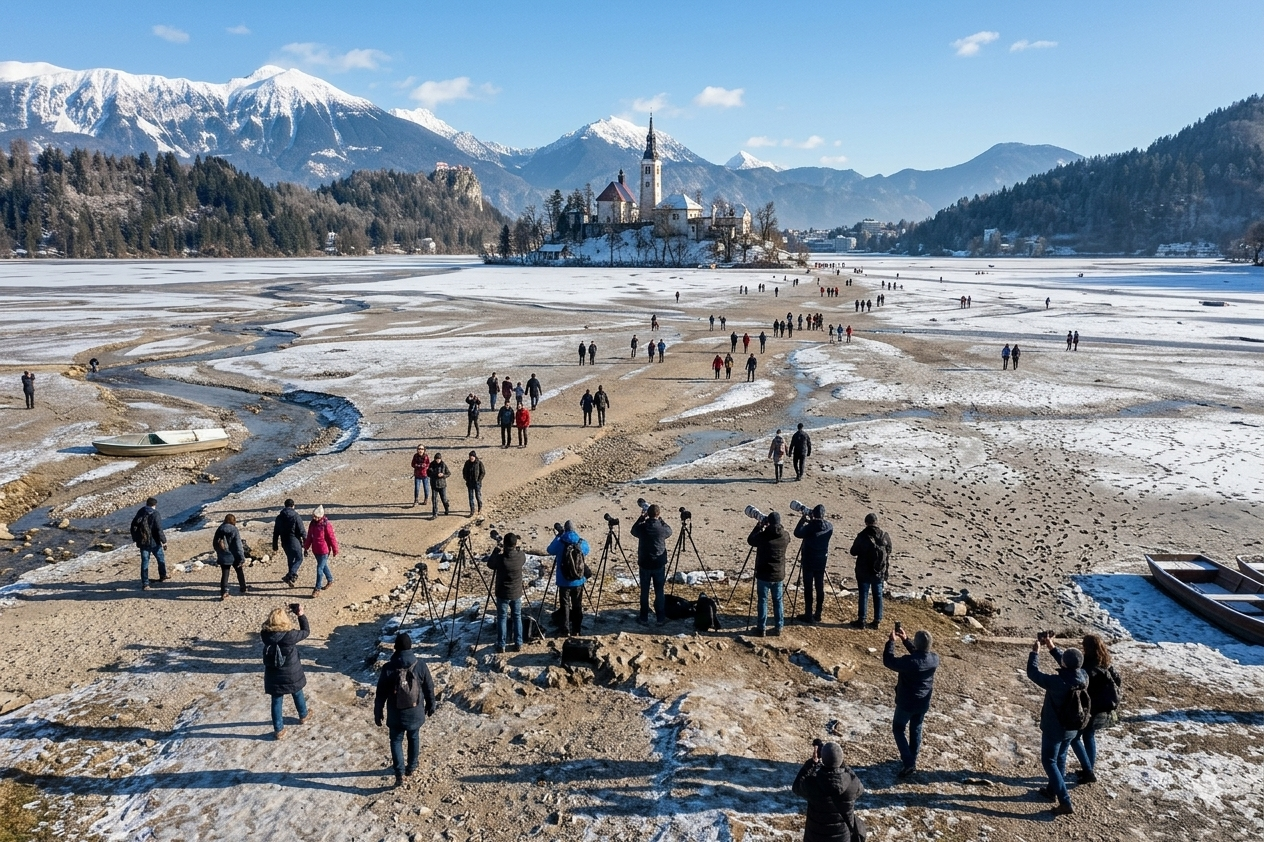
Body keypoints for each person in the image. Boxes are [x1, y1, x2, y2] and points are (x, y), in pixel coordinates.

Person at [1027, 635, 1089, 816]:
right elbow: (1069, 664)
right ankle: (1051, 790)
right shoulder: (1083, 676)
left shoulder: (1057, 682)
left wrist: (1035, 652)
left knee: (1049, 761)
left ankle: (1065, 801)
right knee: (1060, 758)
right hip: (1072, 727)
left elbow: (1033, 673)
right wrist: (1051, 647)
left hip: (1054, 728)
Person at [1057, 634, 1121, 785]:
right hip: (1103, 710)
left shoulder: (1088, 665)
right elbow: (1117, 681)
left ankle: (1088, 771)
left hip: (1092, 709)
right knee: (1089, 737)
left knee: (1074, 738)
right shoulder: (1105, 662)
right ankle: (1089, 769)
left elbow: (1076, 675)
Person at [374, 632, 436, 786]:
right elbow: (429, 687)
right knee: (413, 737)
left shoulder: (388, 668)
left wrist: (378, 711)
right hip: (415, 712)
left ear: (395, 648)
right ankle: (412, 766)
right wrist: (431, 704)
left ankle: (399, 773)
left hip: (396, 714)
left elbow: (380, 693)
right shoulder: (420, 665)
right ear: (410, 647)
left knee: (396, 740)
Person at [883, 627, 939, 777]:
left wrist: (891, 642)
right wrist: (906, 640)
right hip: (922, 703)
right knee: (916, 728)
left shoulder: (909, 662)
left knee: (898, 728)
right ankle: (912, 758)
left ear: (917, 643)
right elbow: (919, 655)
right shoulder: (934, 659)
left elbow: (889, 661)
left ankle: (908, 762)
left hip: (906, 703)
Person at [792, 740, 864, 842]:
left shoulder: (813, 784)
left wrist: (812, 763)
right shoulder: (853, 784)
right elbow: (860, 788)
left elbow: (796, 787)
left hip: (815, 837)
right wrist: (842, 764)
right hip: (842, 838)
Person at [262, 604, 311, 740]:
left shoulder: (265, 635)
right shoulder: (290, 636)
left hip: (273, 675)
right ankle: (303, 715)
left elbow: (266, 628)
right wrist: (300, 615)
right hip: (292, 674)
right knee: (297, 692)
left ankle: (279, 730)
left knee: (276, 701)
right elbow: (306, 631)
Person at [747, 511, 789, 636]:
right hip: (778, 575)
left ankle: (761, 628)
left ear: (769, 522)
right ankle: (779, 627)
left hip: (764, 574)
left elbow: (751, 540)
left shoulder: (763, 536)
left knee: (763, 601)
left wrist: (759, 526)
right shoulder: (785, 536)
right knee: (778, 601)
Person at [630, 504, 673, 625]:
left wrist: (641, 518)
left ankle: (643, 618)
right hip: (658, 564)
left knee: (644, 591)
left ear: (648, 514)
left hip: (644, 563)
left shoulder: (643, 527)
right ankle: (660, 618)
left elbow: (633, 530)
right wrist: (660, 519)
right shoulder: (661, 528)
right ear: (658, 514)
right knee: (659, 591)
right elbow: (669, 530)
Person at [547, 521, 589, 636]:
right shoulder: (580, 542)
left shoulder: (561, 542)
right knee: (577, 605)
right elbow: (587, 550)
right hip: (578, 580)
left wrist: (558, 536)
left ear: (565, 529)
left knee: (565, 605)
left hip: (563, 581)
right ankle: (577, 629)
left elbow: (550, 550)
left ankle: (565, 630)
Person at [849, 513, 891, 628]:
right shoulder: (884, 535)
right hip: (878, 571)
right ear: (876, 522)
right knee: (878, 594)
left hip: (863, 571)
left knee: (863, 594)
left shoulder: (862, 536)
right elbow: (889, 551)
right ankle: (877, 620)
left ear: (866, 523)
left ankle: (861, 620)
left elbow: (853, 551)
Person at [486, 533, 526, 652]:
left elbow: (490, 564)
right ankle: (518, 643)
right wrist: (516, 550)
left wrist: (495, 552)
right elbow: (522, 556)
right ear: (515, 544)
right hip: (516, 593)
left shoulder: (500, 559)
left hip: (503, 593)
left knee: (502, 618)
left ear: (505, 544)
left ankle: (501, 644)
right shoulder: (520, 557)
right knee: (517, 617)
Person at [793, 505, 832, 624]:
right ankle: (818, 613)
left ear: (814, 514)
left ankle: (808, 614)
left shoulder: (809, 528)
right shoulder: (829, 526)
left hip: (809, 561)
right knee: (819, 587)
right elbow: (818, 527)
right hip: (821, 562)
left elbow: (797, 533)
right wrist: (812, 520)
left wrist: (803, 520)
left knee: (808, 588)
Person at [131, 496, 168, 591]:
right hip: (154, 542)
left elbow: (133, 526)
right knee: (160, 559)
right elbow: (159, 529)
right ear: (154, 505)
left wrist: (136, 539)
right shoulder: (155, 514)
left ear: (147, 503)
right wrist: (164, 541)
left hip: (143, 542)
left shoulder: (141, 511)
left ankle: (145, 583)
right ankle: (163, 576)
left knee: (145, 562)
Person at [303, 505, 338, 597]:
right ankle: (330, 580)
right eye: (313, 516)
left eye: (316, 516)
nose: (314, 518)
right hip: (315, 550)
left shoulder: (326, 524)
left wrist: (335, 549)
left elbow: (331, 537)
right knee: (323, 566)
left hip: (324, 551)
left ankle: (317, 589)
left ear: (321, 516)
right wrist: (306, 547)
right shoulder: (312, 523)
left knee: (319, 569)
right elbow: (310, 536)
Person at [213, 513, 248, 601]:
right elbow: (238, 545)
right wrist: (242, 557)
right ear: (233, 521)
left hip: (223, 555)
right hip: (234, 554)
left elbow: (215, 543)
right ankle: (243, 588)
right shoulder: (234, 529)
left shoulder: (220, 528)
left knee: (225, 574)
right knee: (239, 571)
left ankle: (224, 591)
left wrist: (219, 552)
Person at [272, 498, 306, 587]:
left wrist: (275, 545)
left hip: (284, 541)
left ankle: (291, 577)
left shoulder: (279, 517)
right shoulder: (296, 516)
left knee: (290, 559)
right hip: (294, 541)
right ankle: (290, 575)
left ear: (285, 506)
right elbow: (302, 531)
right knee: (299, 558)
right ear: (293, 506)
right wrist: (306, 543)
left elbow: (276, 532)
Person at [427, 453, 451, 517]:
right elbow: (428, 474)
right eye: (437, 459)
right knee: (434, 499)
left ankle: (446, 508)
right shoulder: (431, 465)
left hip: (442, 485)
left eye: (439, 459)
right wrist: (435, 474)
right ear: (435, 459)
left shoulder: (443, 465)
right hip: (434, 485)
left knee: (444, 499)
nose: (438, 460)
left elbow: (448, 473)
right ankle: (435, 513)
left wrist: (443, 475)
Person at [462, 451, 485, 516]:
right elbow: (464, 472)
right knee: (471, 497)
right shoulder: (467, 463)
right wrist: (466, 479)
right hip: (469, 483)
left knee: (478, 496)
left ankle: (480, 508)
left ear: (474, 457)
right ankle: (472, 510)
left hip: (477, 483)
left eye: (472, 457)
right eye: (470, 457)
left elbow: (483, 472)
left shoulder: (479, 463)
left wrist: (479, 480)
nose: (471, 458)